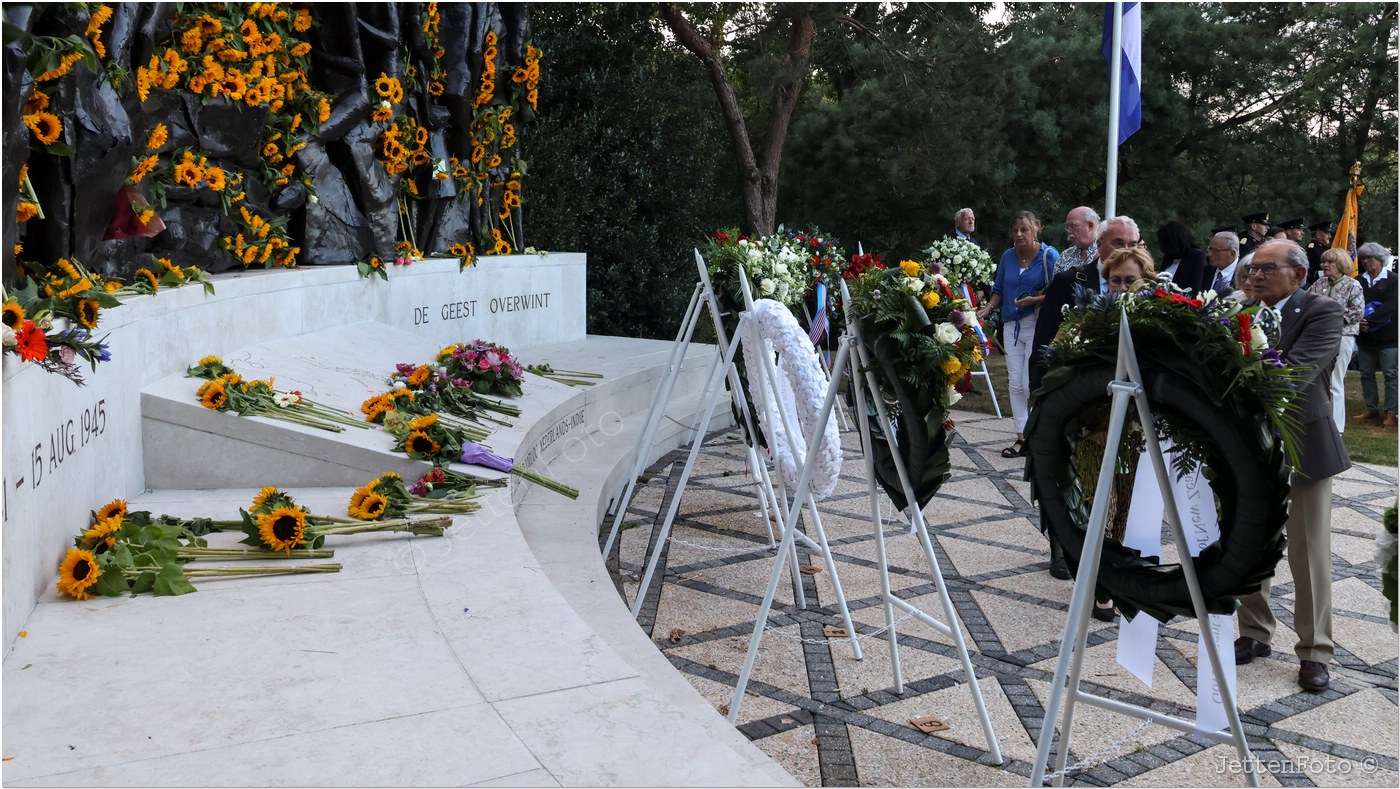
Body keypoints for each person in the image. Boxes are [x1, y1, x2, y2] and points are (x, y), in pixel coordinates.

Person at [1235, 240, 1350, 693]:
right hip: (1250, 446)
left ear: (1298, 275)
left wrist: (1236, 379)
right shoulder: (1238, 310)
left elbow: (1298, 372)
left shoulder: (1321, 311)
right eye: (1252, 269)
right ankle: (1254, 632)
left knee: (1309, 552)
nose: (1255, 276)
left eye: (1267, 268)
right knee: (1251, 541)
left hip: (1303, 443)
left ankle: (1315, 650)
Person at [1028, 215, 1139, 582]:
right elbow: (1045, 344)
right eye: (1116, 242)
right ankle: (1062, 544)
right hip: (1070, 402)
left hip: (1120, 412)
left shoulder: (1146, 292)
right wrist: (1041, 394)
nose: (1123, 251)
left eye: (1130, 244)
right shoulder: (1068, 280)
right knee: (1064, 474)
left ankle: (1107, 551)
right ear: (1100, 243)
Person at [977, 211, 1058, 458]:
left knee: (1027, 383)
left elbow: (1058, 292)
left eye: (1024, 229)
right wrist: (987, 308)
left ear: (1037, 229)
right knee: (1014, 384)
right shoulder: (1007, 256)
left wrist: (1035, 299)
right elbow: (999, 289)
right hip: (1011, 325)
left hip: (1037, 323)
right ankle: (1021, 437)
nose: (1019, 234)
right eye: (1015, 230)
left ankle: (1036, 432)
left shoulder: (1049, 255)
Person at [1308, 248, 1364, 433]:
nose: (1324, 265)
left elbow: (1357, 313)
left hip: (1342, 337)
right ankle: (1318, 423)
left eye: (1329, 262)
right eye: (1323, 262)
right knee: (1316, 380)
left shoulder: (1353, 285)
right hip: (1318, 337)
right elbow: (1307, 303)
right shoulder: (1319, 283)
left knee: (1335, 381)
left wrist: (1330, 313)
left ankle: (1336, 427)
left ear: (1340, 264)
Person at [1355, 242, 1398, 427]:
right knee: (1366, 373)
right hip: (1365, 337)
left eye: (1369, 258)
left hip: (1388, 337)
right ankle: (1371, 408)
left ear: (1380, 259)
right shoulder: (1358, 280)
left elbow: (1392, 305)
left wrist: (1369, 321)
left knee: (1390, 374)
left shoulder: (1394, 280)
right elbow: (1353, 303)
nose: (1365, 262)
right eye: (1363, 258)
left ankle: (1392, 412)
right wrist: (1360, 323)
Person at [1156, 220, 1210, 293]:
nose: (1161, 246)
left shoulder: (1196, 256)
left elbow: (1196, 287)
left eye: (1164, 242)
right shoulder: (1168, 258)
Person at [1055, 206, 1100, 274]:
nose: (1069, 231)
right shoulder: (1065, 255)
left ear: (1090, 226)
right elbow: (1055, 283)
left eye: (1073, 226)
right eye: (1067, 227)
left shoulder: (1106, 253)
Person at [1205, 231, 1241, 298]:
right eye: (1209, 249)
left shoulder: (1245, 274)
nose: (1209, 254)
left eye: (1215, 250)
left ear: (1232, 253)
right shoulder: (1205, 271)